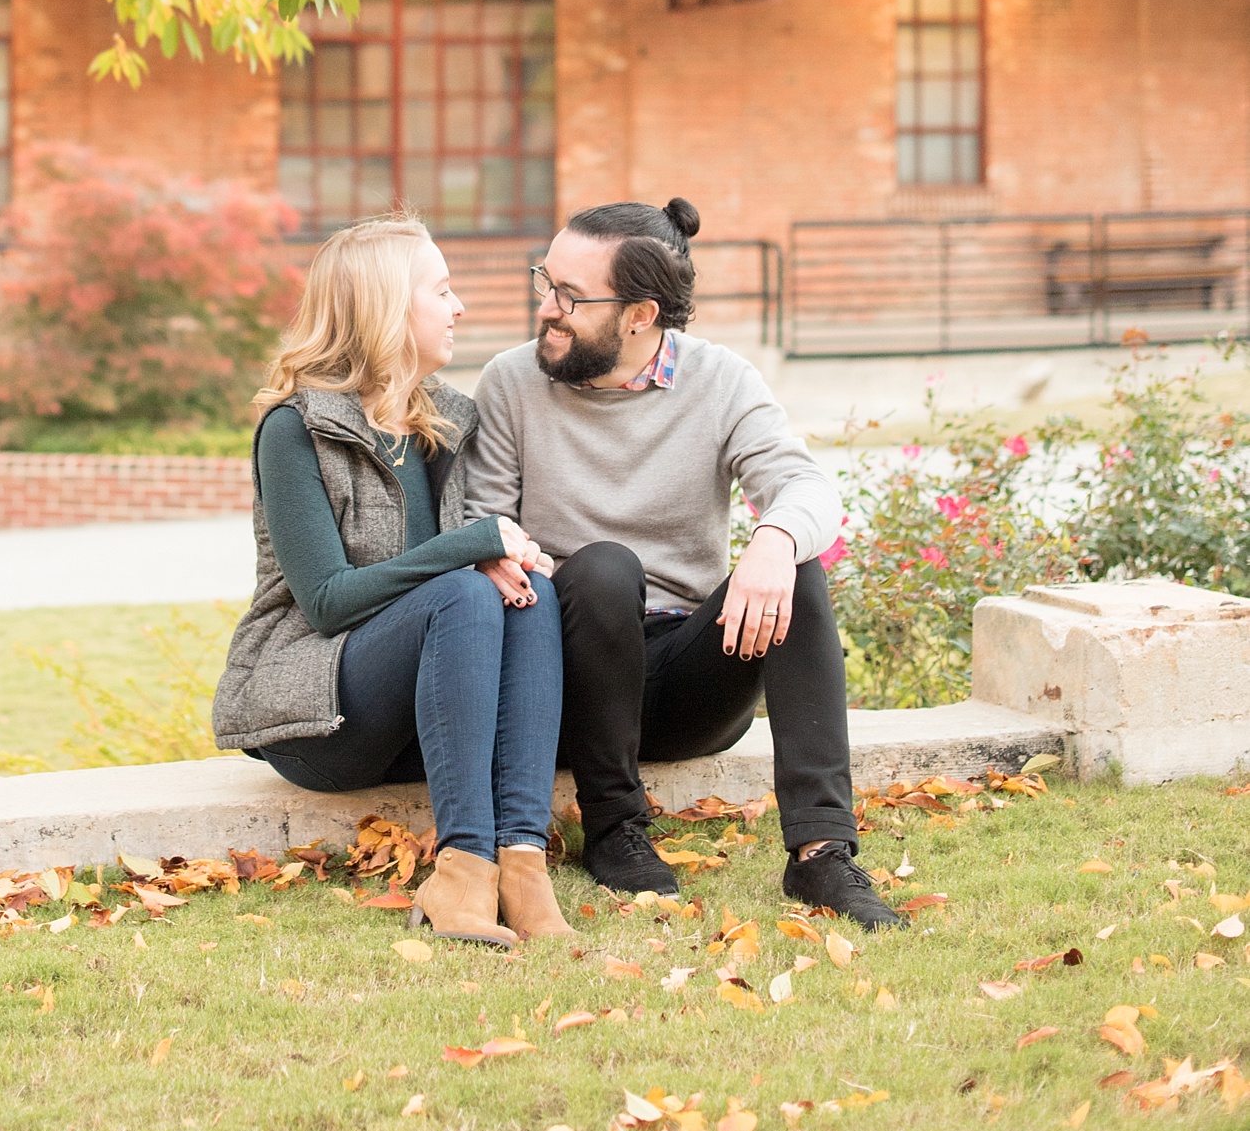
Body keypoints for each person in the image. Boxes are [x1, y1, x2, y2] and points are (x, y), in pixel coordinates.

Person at [468, 197, 905, 932]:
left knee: (794, 561)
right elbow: (481, 523)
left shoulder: (722, 380)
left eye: (570, 296)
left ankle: (820, 852)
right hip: (572, 669)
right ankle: (613, 828)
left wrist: (773, 541)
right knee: (604, 567)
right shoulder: (512, 382)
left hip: (688, 680)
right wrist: (495, 553)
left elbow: (807, 488)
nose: (547, 307)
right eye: (546, 281)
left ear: (640, 315)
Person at [212, 213, 571, 947]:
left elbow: (473, 576)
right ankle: (464, 870)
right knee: (470, 585)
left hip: (426, 711)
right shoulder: (295, 430)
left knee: (528, 589)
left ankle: (524, 865)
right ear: (385, 307)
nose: (459, 305)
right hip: (320, 712)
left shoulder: (446, 424)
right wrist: (469, 546)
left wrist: (493, 555)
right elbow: (327, 599)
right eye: (441, 289)